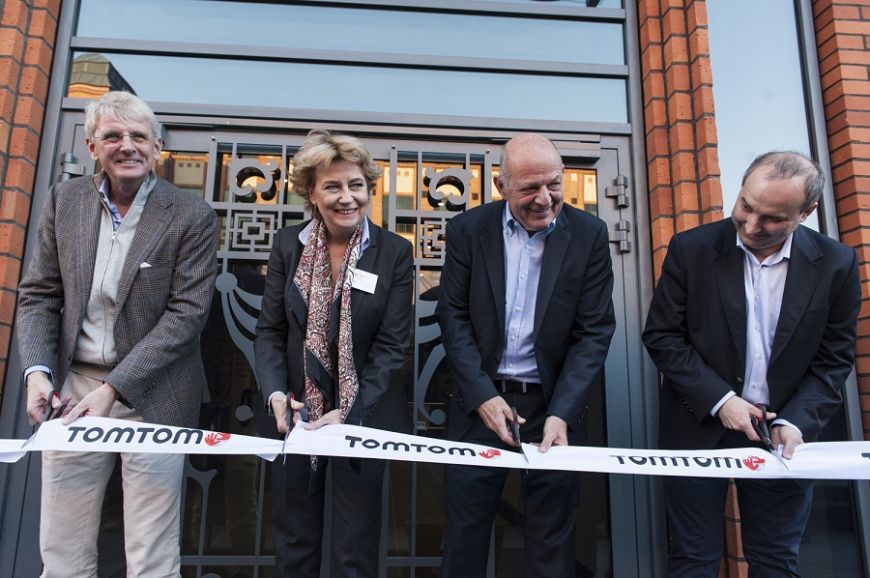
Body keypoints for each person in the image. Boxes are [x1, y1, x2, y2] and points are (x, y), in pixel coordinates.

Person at [17, 91, 219, 577]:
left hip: (157, 389)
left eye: (138, 137)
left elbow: (186, 317)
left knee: (151, 550)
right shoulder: (63, 203)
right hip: (74, 390)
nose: (127, 146)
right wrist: (37, 373)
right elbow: (39, 295)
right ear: (91, 147)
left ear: (156, 147)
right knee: (62, 545)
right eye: (113, 136)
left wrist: (116, 388)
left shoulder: (192, 215)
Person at [643, 151, 861, 577]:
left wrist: (796, 421)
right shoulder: (691, 248)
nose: (751, 225)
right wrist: (721, 400)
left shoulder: (838, 265)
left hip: (784, 435)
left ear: (807, 212)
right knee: (693, 558)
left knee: (776, 559)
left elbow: (834, 360)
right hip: (696, 425)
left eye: (772, 219)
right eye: (746, 206)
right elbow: (663, 336)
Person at [437, 133, 616, 577]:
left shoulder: (589, 234)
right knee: (465, 535)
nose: (544, 199)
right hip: (481, 405)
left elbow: (593, 333)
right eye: (528, 189)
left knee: (550, 541)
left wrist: (563, 413)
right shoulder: (468, 230)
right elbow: (453, 317)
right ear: (501, 187)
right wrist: (481, 395)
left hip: (553, 408)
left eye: (553, 184)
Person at [254, 129, 413, 578]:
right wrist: (275, 395)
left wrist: (350, 412)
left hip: (363, 418)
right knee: (294, 545)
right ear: (311, 193)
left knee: (354, 551)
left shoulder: (395, 253)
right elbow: (269, 331)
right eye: (333, 186)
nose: (347, 198)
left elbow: (390, 347)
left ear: (369, 188)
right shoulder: (289, 245)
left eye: (356, 185)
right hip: (295, 418)